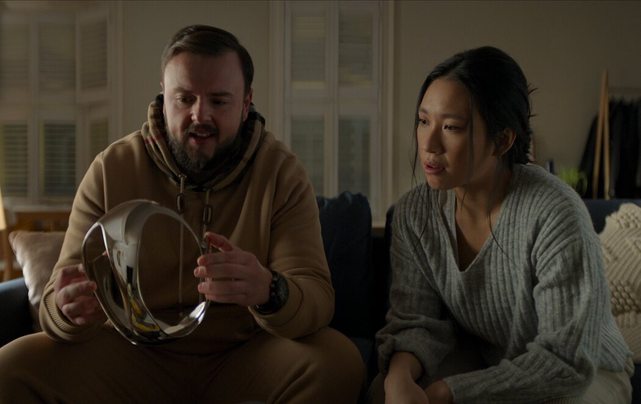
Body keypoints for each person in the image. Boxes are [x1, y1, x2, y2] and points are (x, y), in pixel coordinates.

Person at [0, 25, 364, 403]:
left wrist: (269, 289)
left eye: (219, 101)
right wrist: (66, 310)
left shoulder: (282, 173)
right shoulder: (111, 169)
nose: (199, 115)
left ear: (246, 103)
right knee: (9, 367)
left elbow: (317, 298)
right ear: (164, 96)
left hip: (243, 356)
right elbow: (55, 303)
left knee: (338, 362)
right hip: (129, 355)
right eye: (185, 98)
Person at [370, 46, 633, 404]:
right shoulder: (414, 214)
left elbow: (566, 360)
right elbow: (416, 322)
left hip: (585, 371)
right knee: (386, 392)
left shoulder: (554, 212)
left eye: (451, 127)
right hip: (489, 357)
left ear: (502, 140)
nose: (429, 144)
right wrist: (397, 379)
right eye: (423, 121)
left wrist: (450, 391)